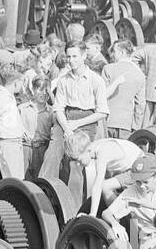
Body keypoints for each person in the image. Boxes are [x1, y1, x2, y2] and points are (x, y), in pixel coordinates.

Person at [41, 41, 110, 179]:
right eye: (68, 57)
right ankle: (44, 190)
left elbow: (102, 112)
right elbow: (58, 108)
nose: (70, 60)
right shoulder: (63, 80)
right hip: (65, 119)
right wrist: (67, 128)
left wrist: (77, 124)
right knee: (52, 153)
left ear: (84, 56)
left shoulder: (96, 80)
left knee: (77, 162)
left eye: (74, 56)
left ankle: (73, 199)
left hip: (87, 121)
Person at [68, 130, 142, 215]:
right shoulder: (95, 146)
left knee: (105, 187)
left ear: (88, 150)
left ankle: (119, 218)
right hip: (130, 167)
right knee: (109, 189)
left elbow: (98, 185)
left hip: (139, 168)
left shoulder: (102, 152)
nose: (78, 164)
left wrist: (92, 214)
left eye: (79, 160)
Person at [102, 153, 156, 249]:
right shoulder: (132, 192)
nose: (142, 186)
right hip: (150, 240)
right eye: (138, 182)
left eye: (146, 182)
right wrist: (115, 224)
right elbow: (106, 213)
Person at [103, 39, 145, 137]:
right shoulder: (139, 74)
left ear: (121, 52)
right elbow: (140, 105)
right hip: (126, 124)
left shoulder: (108, 68)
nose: (112, 54)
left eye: (114, 51)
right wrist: (136, 126)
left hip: (107, 121)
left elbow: (101, 96)